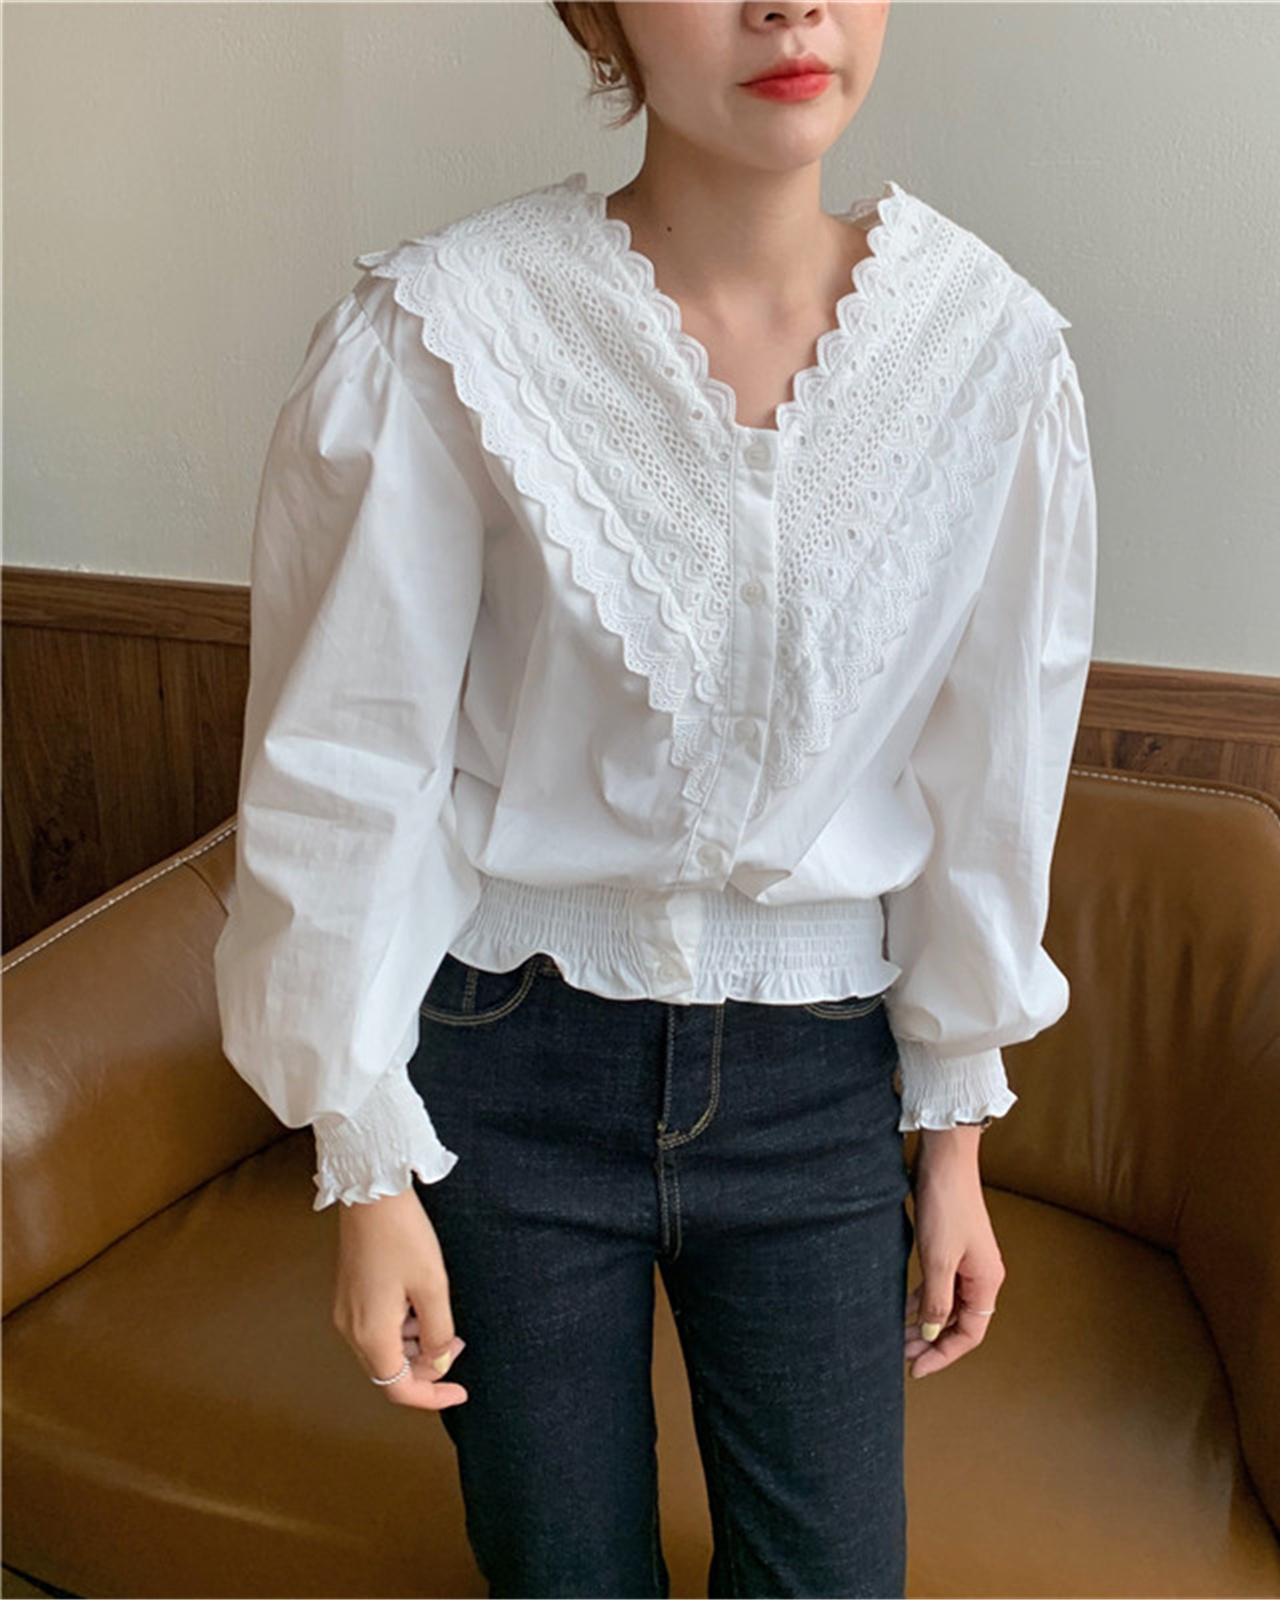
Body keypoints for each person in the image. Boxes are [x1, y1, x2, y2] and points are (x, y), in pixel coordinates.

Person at [211, 1, 1098, 1595]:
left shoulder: (989, 355)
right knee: (560, 1576)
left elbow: (990, 772)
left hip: (820, 1082)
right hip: (506, 1067)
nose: (789, 5)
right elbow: (349, 760)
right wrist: (367, 1160)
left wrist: (954, 1136)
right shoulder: (454, 330)